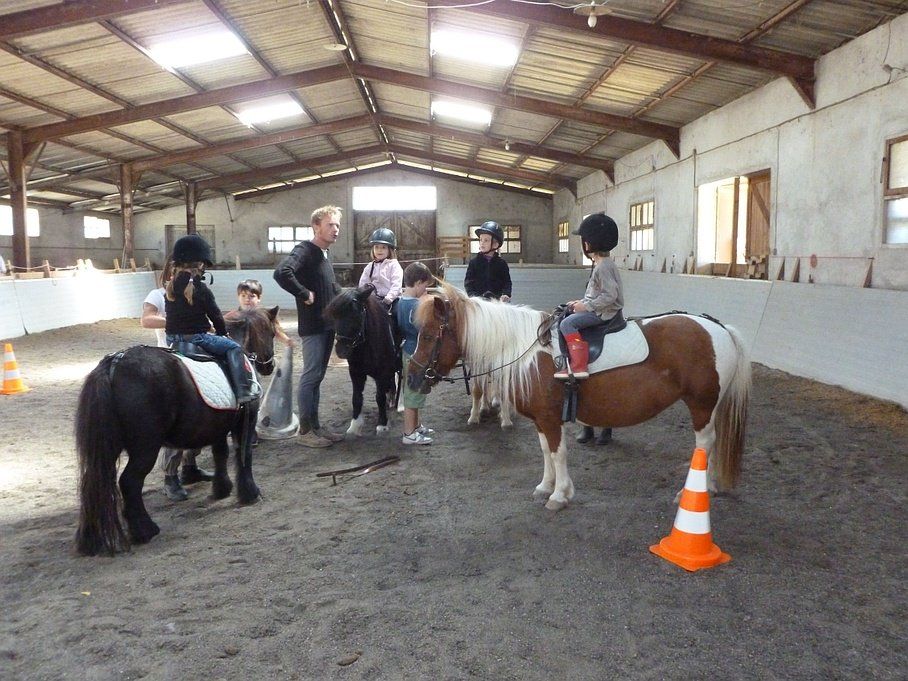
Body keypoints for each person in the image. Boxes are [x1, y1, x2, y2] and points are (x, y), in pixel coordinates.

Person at [141, 257, 213, 501]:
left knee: (203, 414)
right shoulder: (158, 295)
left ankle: (190, 466)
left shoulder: (196, 292)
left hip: (196, 356)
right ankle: (170, 475)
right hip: (170, 361)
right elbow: (146, 319)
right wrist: (178, 321)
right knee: (178, 420)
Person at [273, 205, 345, 448]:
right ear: (316, 226)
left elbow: (330, 288)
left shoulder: (324, 255)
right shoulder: (305, 250)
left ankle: (315, 426)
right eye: (330, 224)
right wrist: (303, 293)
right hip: (313, 326)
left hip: (327, 325)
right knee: (311, 375)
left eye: (337, 225)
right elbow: (282, 272)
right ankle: (305, 431)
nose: (335, 229)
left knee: (318, 376)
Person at [165, 233, 260, 404]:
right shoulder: (201, 289)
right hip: (196, 337)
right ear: (200, 265)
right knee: (234, 348)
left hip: (171, 338)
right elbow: (216, 315)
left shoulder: (170, 288)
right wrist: (223, 333)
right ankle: (243, 391)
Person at [553, 213, 623, 380]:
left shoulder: (603, 267)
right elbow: (596, 293)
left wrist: (586, 306)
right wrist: (580, 302)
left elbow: (610, 295)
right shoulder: (602, 264)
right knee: (565, 314)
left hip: (604, 313)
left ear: (588, 243)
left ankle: (578, 366)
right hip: (600, 309)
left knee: (567, 324)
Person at [397, 262, 435, 445]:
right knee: (413, 394)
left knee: (416, 391)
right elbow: (422, 330)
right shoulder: (415, 305)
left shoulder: (401, 301)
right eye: (425, 286)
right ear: (418, 282)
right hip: (416, 353)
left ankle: (416, 426)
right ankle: (409, 433)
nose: (425, 290)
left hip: (407, 349)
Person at [234, 278, 294, 348]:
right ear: (238, 297)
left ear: (259, 298)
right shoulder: (234, 318)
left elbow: (276, 331)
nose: (247, 299)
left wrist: (287, 340)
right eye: (243, 296)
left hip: (263, 351)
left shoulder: (266, 316)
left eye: (252, 296)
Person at [464, 221, 512, 302]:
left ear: (495, 244)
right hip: (478, 303)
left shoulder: (502, 264)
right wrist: (473, 297)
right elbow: (468, 283)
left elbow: (507, 282)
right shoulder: (474, 263)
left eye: (486, 240)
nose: (482, 243)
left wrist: (506, 294)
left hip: (496, 303)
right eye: (481, 240)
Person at [358, 228, 403, 308]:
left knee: (397, 311)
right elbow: (363, 284)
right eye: (376, 247)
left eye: (383, 247)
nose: (379, 250)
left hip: (392, 300)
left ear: (390, 249)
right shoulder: (370, 266)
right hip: (374, 300)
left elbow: (396, 285)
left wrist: (387, 300)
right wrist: (369, 297)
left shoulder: (394, 266)